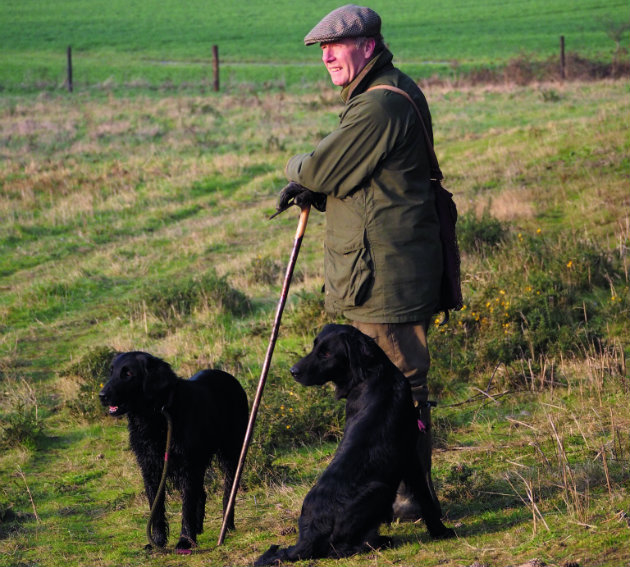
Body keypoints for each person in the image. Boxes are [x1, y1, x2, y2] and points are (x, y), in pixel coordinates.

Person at [277, 4, 445, 520]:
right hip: (384, 265)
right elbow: (367, 179)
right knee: (389, 386)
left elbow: (323, 167)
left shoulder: (378, 105)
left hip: (385, 275)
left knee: (398, 386)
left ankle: (404, 496)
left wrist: (297, 169)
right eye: (321, 49)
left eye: (336, 46)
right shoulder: (381, 91)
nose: (327, 55)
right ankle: (398, 490)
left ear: (368, 46)